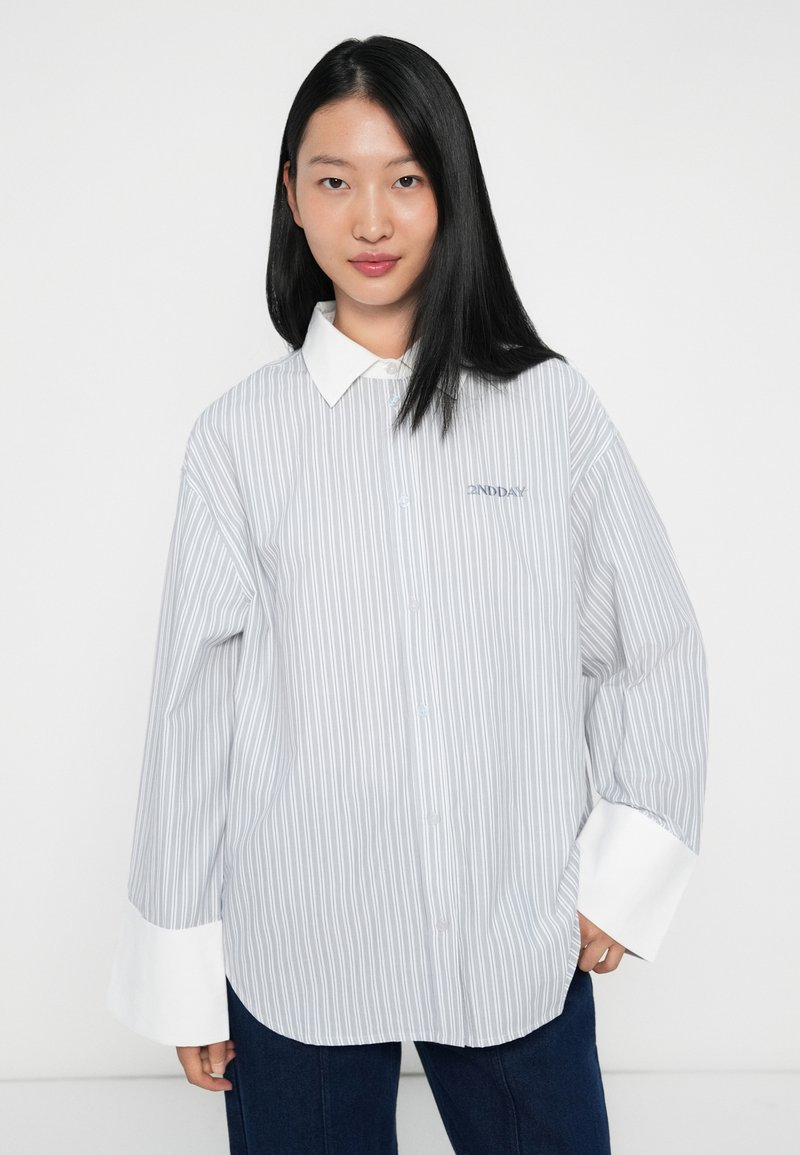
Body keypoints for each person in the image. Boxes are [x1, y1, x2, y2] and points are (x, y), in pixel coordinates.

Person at [106, 34, 709, 1154]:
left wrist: (622, 871)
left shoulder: (547, 410)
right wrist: (184, 962)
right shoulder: (237, 440)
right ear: (292, 196)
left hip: (510, 933)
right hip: (297, 951)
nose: (371, 220)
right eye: (335, 181)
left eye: (406, 179)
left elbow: (650, 642)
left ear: (450, 191)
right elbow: (193, 709)